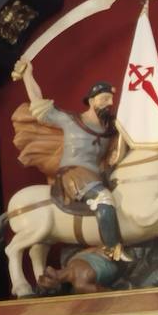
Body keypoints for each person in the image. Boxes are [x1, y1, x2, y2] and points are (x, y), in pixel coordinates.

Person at [19, 61, 130, 262]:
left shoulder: (112, 129)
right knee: (104, 199)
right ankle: (112, 250)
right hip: (73, 174)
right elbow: (38, 103)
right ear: (91, 101)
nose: (109, 103)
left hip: (98, 176)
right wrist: (28, 74)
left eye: (111, 100)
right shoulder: (70, 120)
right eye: (104, 99)